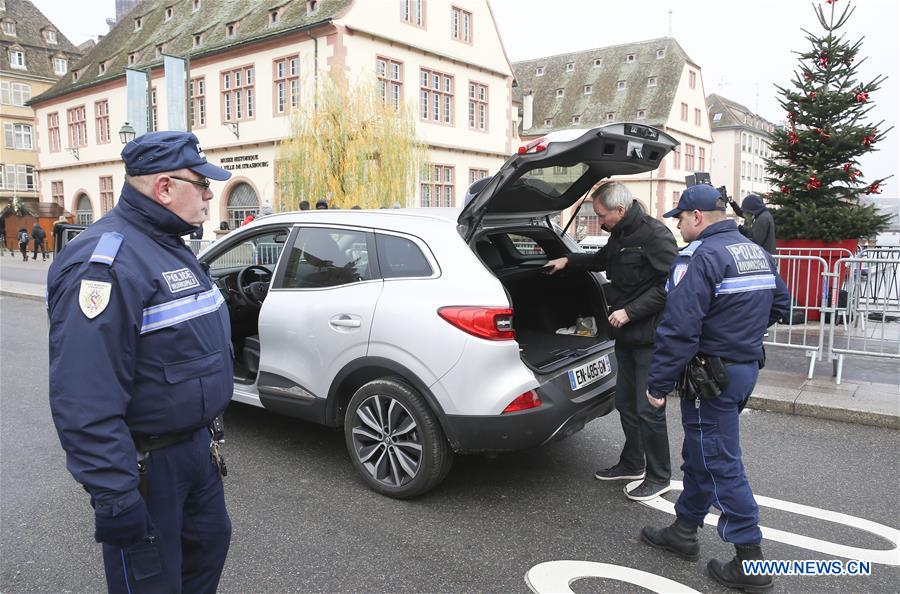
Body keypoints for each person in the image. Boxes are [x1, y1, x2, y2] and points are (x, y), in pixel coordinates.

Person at [46, 131, 234, 594]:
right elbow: (84, 393)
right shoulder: (106, 263)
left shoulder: (169, 245)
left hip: (195, 453)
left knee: (206, 554)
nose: (210, 193)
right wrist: (114, 495)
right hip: (148, 467)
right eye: (201, 183)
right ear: (165, 188)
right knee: (151, 582)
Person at [641, 184, 790, 592]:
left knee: (721, 460)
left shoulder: (700, 256)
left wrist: (658, 383)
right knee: (703, 451)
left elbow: (680, 329)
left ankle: (750, 562)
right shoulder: (754, 251)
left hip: (711, 377)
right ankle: (685, 529)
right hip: (742, 370)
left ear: (697, 217)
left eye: (681, 219)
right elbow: (782, 305)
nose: (679, 226)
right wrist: (740, 335)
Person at [544, 182, 678, 500]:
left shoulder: (656, 236)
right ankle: (633, 462)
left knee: (648, 408)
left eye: (602, 215)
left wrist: (630, 311)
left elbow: (669, 286)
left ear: (620, 209)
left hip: (649, 337)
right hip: (626, 337)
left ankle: (660, 476)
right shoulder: (619, 234)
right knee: (625, 404)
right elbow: (603, 258)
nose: (600, 221)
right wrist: (568, 261)